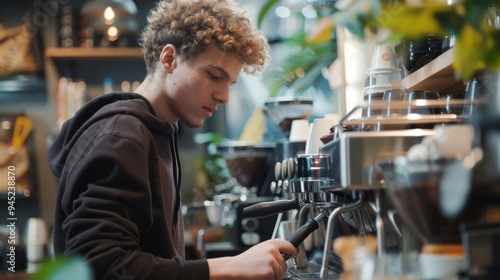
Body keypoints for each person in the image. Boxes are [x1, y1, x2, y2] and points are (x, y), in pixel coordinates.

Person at [48, 0, 296, 279]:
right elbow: (99, 266)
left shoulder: (157, 131)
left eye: (230, 84)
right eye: (214, 76)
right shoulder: (122, 137)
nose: (223, 96)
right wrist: (231, 266)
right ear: (169, 59)